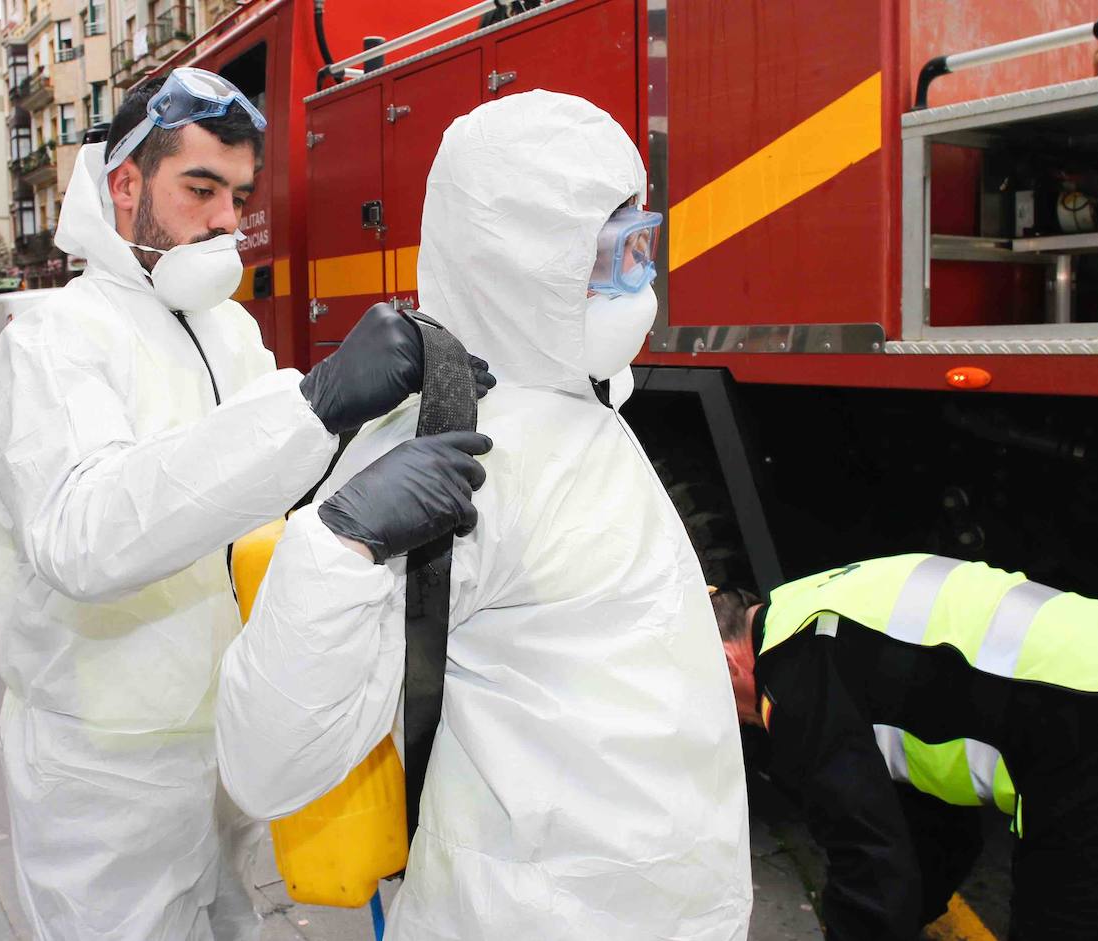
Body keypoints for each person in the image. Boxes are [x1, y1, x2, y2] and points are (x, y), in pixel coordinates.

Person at [215, 90, 752, 940]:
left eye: (641, 241)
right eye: (611, 251)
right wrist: (337, 547)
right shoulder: (440, 452)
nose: (638, 278)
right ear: (524, 260)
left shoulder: (589, 407)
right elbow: (269, 759)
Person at [0, 68, 493, 941]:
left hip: (234, 741)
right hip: (110, 775)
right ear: (127, 184)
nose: (226, 220)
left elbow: (280, 485)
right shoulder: (53, 344)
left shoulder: (229, 333)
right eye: (201, 188)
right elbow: (85, 534)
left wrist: (392, 434)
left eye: (239, 195)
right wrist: (318, 401)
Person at [712, 556, 1098, 940]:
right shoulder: (810, 605)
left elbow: (869, 863)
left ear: (731, 663)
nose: (735, 723)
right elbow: (928, 831)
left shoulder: (795, 682)